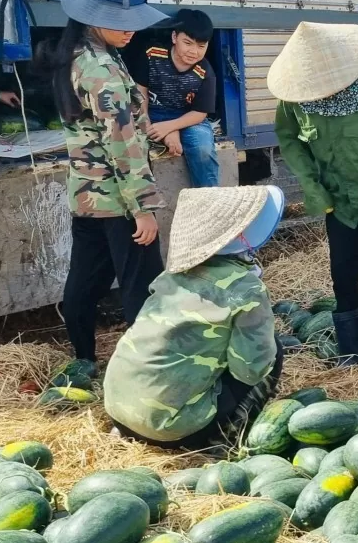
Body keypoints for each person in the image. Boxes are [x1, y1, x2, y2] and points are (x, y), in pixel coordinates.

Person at [33, 0, 169, 372]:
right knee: (141, 286)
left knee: (84, 284)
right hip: (119, 199)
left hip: (86, 196)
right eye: (122, 22)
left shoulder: (75, 56)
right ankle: (146, 370)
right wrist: (143, 207)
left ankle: (84, 360)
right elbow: (121, 145)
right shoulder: (103, 70)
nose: (132, 31)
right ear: (94, 17)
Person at [269, 21, 358, 371]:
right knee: (342, 275)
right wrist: (313, 187)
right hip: (340, 202)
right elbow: (288, 140)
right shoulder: (295, 101)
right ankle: (352, 355)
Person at [104, 185, 285, 448]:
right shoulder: (246, 289)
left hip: (119, 410)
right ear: (241, 235)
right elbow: (250, 370)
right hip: (172, 429)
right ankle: (228, 439)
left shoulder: (172, 274)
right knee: (273, 351)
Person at [128, 9, 221, 187]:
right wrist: (147, 123)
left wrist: (170, 127)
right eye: (188, 43)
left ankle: (210, 202)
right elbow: (141, 92)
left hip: (189, 119)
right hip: (152, 112)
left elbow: (199, 114)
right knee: (133, 148)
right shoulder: (152, 54)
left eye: (201, 46)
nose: (194, 52)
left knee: (203, 150)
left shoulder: (205, 71)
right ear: (174, 37)